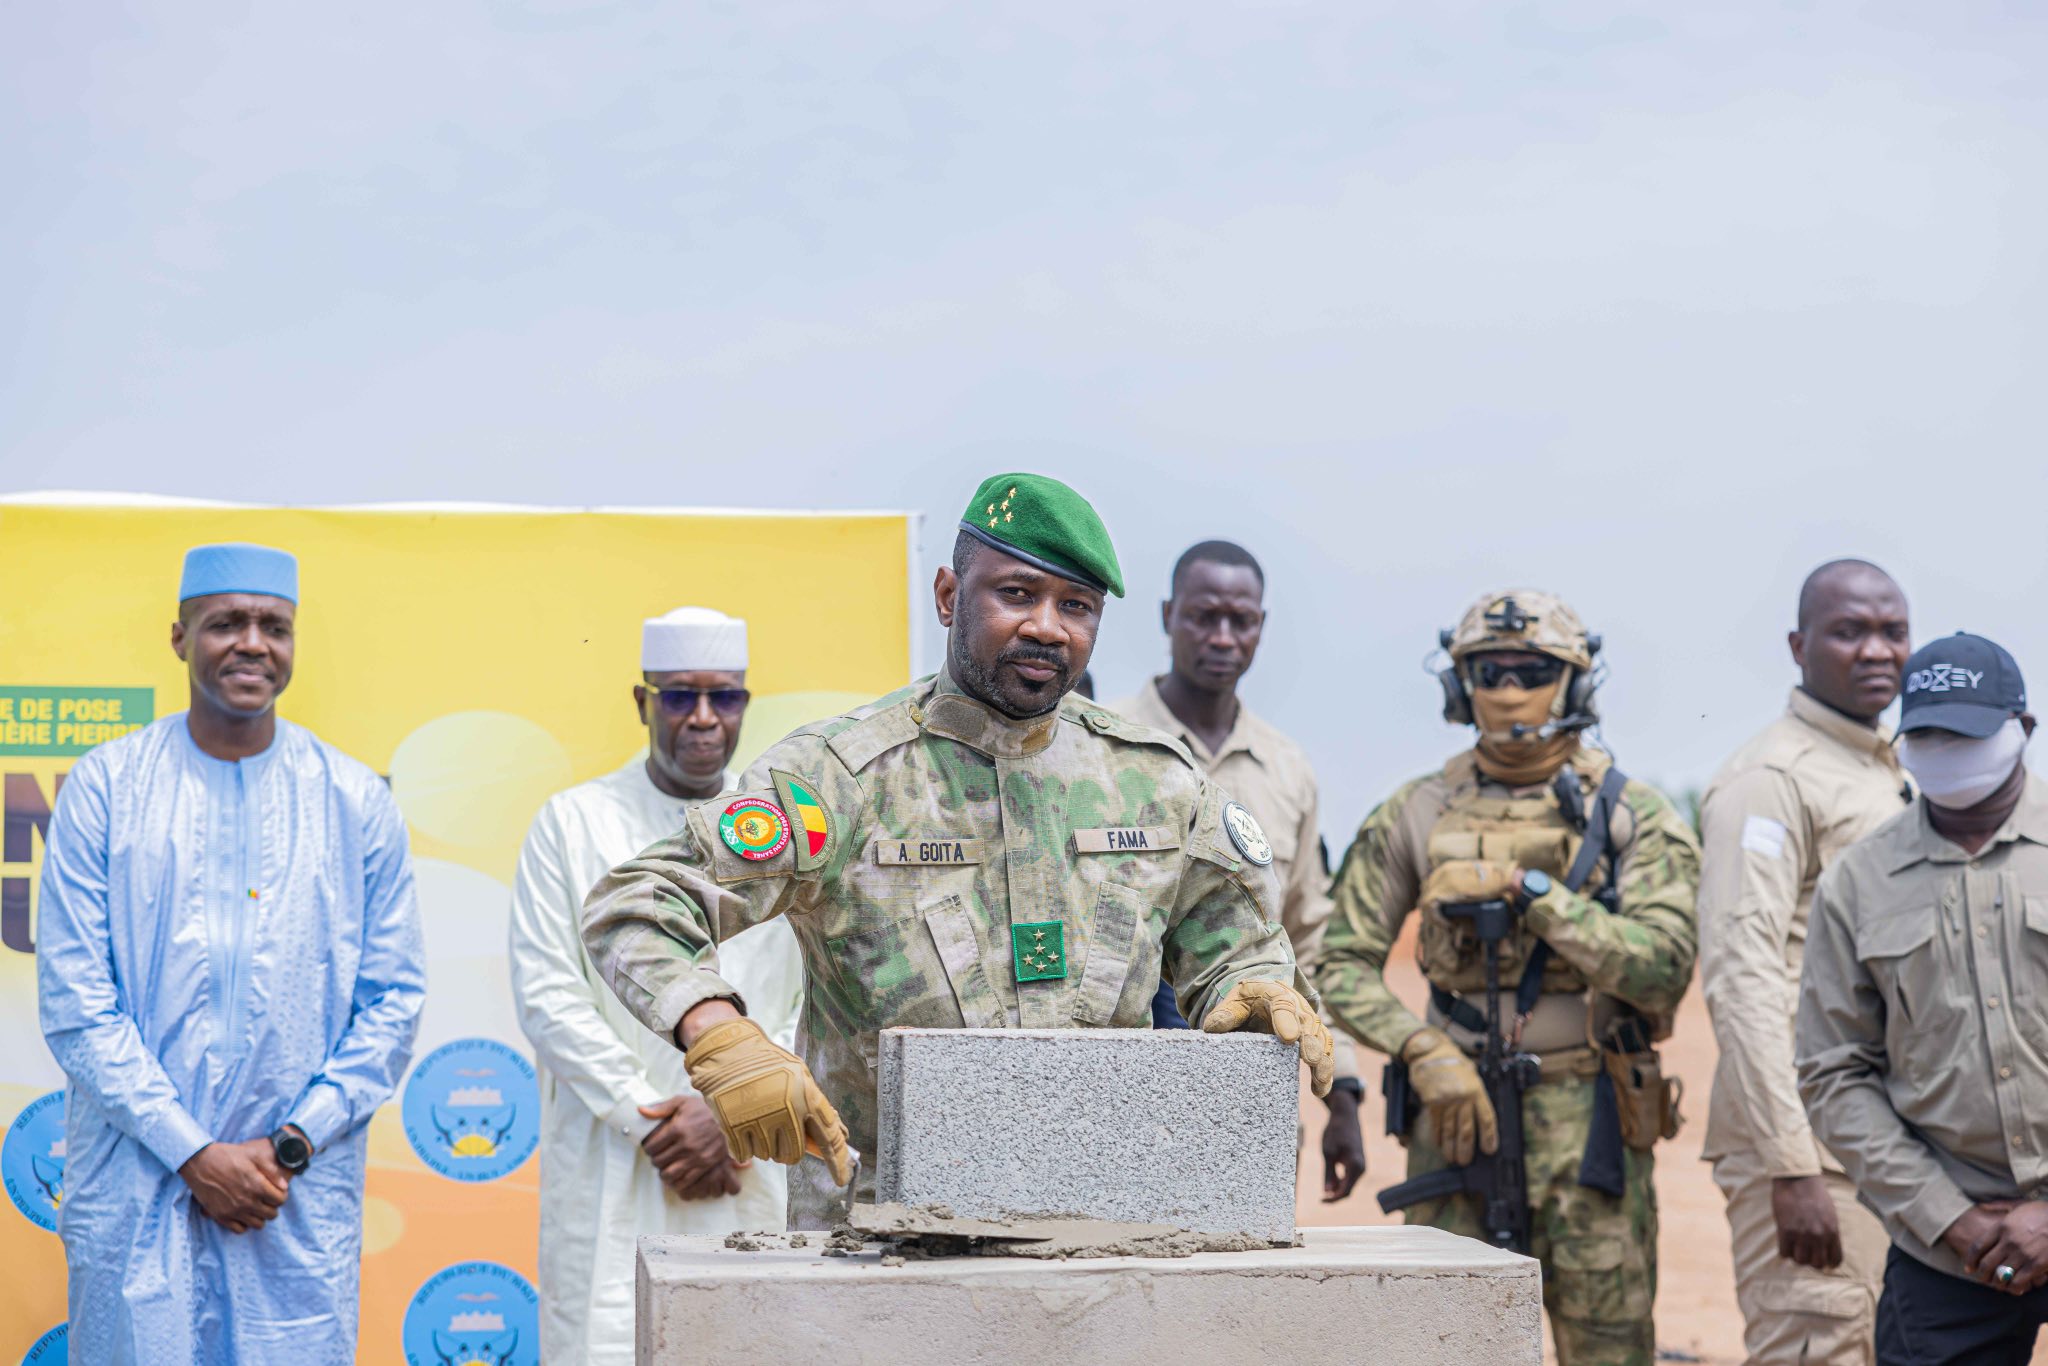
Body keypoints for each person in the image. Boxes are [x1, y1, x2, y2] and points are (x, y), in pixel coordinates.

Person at [581, 472, 1333, 1223]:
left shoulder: (1155, 785)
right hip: (880, 1249)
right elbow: (638, 903)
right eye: (1017, 594)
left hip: (1105, 1238)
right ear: (948, 595)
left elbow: (1237, 952)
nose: (1047, 626)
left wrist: (1259, 987)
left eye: (1076, 606)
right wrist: (719, 1034)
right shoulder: (845, 779)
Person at [36, 543, 425, 1366]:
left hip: (292, 1194)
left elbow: (391, 1003)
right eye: (226, 623)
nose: (253, 643)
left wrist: (292, 1143)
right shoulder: (105, 790)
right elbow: (77, 1005)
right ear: (179, 637)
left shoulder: (353, 801)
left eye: (273, 626)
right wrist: (192, 1150)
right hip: (137, 1183)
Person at [1318, 589, 1699, 1365]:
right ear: (1460, 686)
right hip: (1455, 1119)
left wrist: (1533, 894)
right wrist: (1423, 1051)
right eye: (1489, 669)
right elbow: (1338, 962)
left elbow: (1663, 969)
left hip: (1593, 1118)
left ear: (1576, 682)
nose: (1510, 685)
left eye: (1533, 668)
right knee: (1446, 1339)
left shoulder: (1634, 814)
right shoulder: (1415, 812)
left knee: (1609, 1345)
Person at [509, 607, 804, 1366]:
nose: (702, 719)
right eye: (679, 697)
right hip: (614, 1165)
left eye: (723, 697)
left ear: (744, 703)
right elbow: (549, 995)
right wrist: (652, 1121)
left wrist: (729, 1114)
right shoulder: (572, 823)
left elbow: (811, 1002)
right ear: (644, 703)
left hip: (752, 1163)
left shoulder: (784, 827)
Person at [1798, 632, 2048, 1363]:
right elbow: (1834, 1072)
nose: (1945, 750)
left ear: (2021, 730)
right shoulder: (1859, 881)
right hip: (1949, 1251)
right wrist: (1950, 1219)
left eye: (1965, 735)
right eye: (1928, 734)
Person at [1698, 559, 1912, 1364]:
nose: (1876, 651)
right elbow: (1742, 974)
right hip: (1805, 1145)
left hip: (1883, 1139)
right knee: (1822, 1345)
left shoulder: (1884, 770)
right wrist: (1791, 1167)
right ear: (1799, 645)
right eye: (1848, 631)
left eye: (1893, 632)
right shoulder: (1770, 780)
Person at [1108, 538, 1365, 1201]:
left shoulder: (1287, 770)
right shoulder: (1102, 746)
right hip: (1118, 1092)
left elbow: (1310, 936)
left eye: (1240, 620)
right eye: (1203, 615)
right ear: (1168, 615)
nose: (1222, 636)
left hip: (1256, 1088)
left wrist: (1344, 1093)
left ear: (1261, 628)